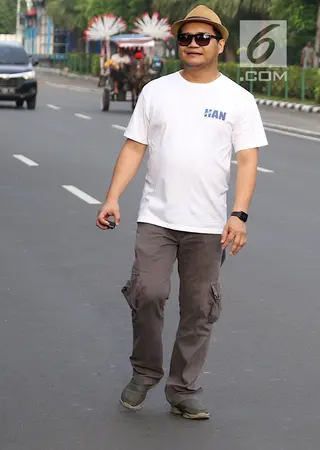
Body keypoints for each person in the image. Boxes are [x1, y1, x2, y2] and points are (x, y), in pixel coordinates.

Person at [96, 5, 268, 420]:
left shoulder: (238, 99)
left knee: (198, 308)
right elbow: (135, 147)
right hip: (157, 218)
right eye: (186, 38)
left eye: (202, 38)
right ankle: (145, 371)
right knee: (148, 293)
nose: (193, 45)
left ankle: (184, 388)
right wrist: (113, 196)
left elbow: (247, 161)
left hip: (208, 226)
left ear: (220, 44)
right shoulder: (157, 91)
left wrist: (238, 215)